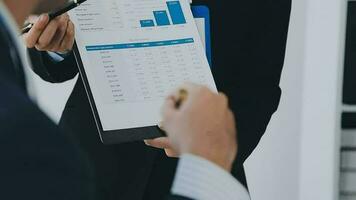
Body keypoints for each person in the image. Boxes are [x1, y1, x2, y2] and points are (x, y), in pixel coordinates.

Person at [25, 1, 292, 198]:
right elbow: (55, 37)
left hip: (197, 175)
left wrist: (209, 153)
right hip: (92, 163)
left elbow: (260, 88)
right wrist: (56, 45)